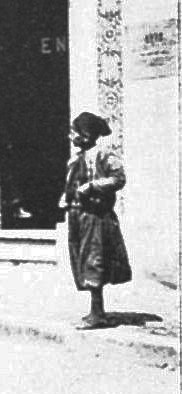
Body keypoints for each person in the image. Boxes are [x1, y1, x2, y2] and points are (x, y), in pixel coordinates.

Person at [62, 111, 131, 330]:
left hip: (96, 215)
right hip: (78, 216)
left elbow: (118, 179)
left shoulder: (103, 154)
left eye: (74, 132)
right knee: (82, 259)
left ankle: (97, 313)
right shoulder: (76, 158)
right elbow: (71, 183)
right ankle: (95, 310)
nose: (71, 136)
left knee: (94, 260)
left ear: (85, 134)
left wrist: (93, 186)